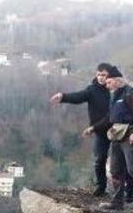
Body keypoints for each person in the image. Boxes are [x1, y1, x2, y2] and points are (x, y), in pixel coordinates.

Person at [50, 63, 127, 197]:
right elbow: (79, 96)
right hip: (100, 132)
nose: (101, 78)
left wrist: (93, 128)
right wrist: (63, 97)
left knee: (120, 162)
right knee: (99, 159)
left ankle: (126, 191)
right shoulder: (92, 90)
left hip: (118, 130)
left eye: (104, 75)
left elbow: (113, 114)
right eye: (98, 75)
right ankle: (101, 187)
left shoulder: (116, 90)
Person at [98, 67, 133, 213]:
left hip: (129, 135)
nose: (106, 85)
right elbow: (112, 116)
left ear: (117, 81)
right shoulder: (114, 95)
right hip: (116, 135)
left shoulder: (130, 93)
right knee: (115, 170)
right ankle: (117, 202)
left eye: (109, 82)